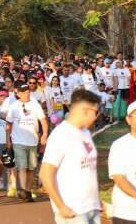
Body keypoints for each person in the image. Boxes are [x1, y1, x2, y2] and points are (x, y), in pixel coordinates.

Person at [40, 89, 101, 224]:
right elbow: (45, 173)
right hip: (73, 210)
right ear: (85, 110)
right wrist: (61, 206)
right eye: (95, 112)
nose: (96, 117)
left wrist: (97, 201)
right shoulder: (61, 134)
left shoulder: (85, 132)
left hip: (91, 207)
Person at [6, 81, 48, 201]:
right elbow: (8, 124)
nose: (27, 94)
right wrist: (8, 139)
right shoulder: (13, 106)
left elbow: (43, 120)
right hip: (18, 141)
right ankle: (24, 190)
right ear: (18, 93)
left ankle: (27, 191)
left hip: (33, 141)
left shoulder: (35, 105)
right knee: (22, 167)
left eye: (28, 92)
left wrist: (44, 134)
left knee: (31, 168)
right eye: (24, 92)